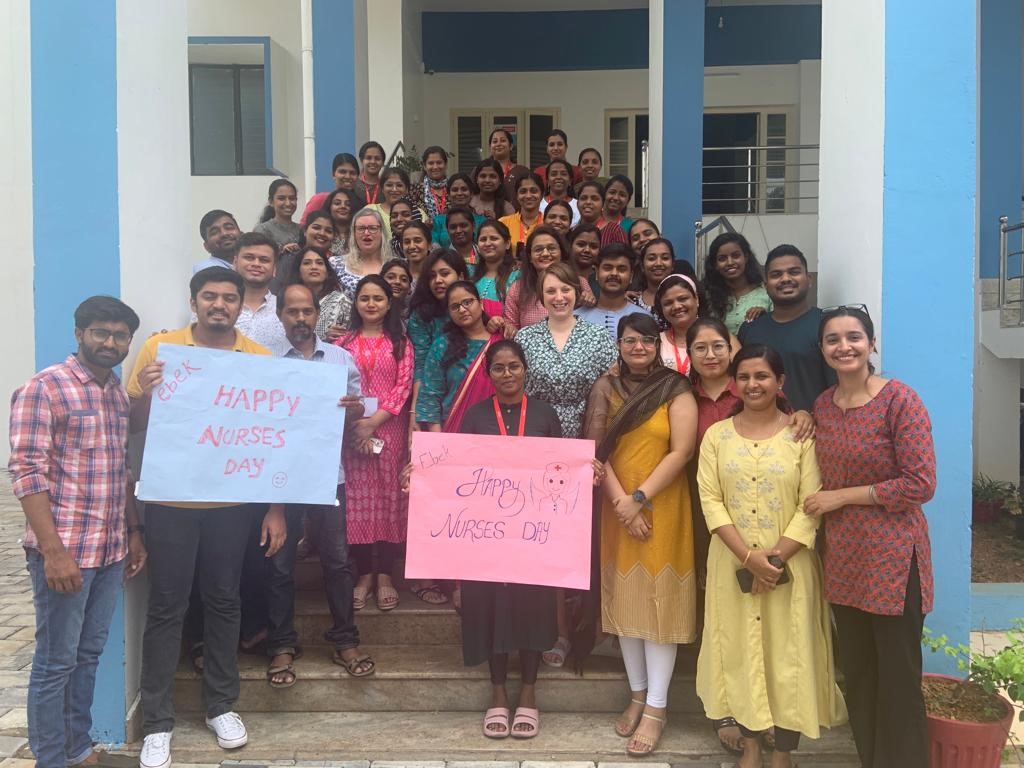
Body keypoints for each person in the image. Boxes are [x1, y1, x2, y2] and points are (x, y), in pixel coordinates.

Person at [129, 268, 286, 765]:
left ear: (242, 305)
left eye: (228, 298)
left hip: (231, 504)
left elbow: (278, 433)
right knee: (166, 606)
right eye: (210, 297)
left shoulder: (258, 358)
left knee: (224, 600)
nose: (219, 305)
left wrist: (276, 508)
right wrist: (147, 394)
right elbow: (133, 425)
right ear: (194, 301)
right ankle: (157, 721)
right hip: (169, 502)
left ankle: (221, 705)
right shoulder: (161, 350)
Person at [9, 296, 147, 768]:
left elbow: (120, 471)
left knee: (88, 654)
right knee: (55, 663)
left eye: (119, 335)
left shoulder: (113, 393)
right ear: (79, 334)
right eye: (100, 333)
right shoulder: (44, 388)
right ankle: (51, 758)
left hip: (108, 550)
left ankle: (78, 746)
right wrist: (53, 552)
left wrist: (133, 531)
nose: (110, 342)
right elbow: (28, 473)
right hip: (66, 550)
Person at [697, 344, 847, 768]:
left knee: (789, 659)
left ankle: (782, 752)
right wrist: (748, 559)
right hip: (731, 564)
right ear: (733, 384)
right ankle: (750, 745)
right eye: (744, 377)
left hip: (792, 568)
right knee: (740, 654)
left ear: (780, 382)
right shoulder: (716, 437)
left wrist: (775, 559)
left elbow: (811, 502)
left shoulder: (801, 435)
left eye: (762, 376)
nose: (752, 384)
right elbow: (710, 500)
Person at [807, 305, 936, 768]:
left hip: (894, 561)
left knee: (899, 679)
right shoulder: (822, 405)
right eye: (834, 339)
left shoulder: (900, 400)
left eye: (854, 337)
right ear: (822, 349)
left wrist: (842, 497)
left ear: (871, 344)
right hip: (844, 560)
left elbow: (921, 484)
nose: (844, 346)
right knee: (859, 675)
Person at [584, 313, 698, 756]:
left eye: (646, 341)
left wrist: (639, 499)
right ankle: (637, 694)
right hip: (616, 508)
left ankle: (657, 707)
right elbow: (598, 452)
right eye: (630, 340)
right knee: (628, 608)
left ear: (658, 344)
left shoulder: (675, 387)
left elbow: (682, 450)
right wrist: (621, 504)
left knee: (659, 613)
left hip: (663, 505)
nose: (638, 348)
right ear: (619, 343)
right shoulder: (605, 388)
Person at [457, 340, 565, 740]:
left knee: (532, 607)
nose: (507, 375)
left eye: (514, 367)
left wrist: (585, 472)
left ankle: (530, 694)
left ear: (525, 370)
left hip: (532, 535)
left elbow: (560, 469)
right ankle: (498, 693)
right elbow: (456, 471)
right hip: (486, 534)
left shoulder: (544, 414)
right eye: (499, 368)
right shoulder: (474, 416)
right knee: (491, 608)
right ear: (488, 374)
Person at [264, 284, 370, 686]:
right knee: (279, 564)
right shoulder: (267, 362)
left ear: (317, 314)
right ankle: (281, 646)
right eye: (292, 312)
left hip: (329, 476)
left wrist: (355, 409)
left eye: (307, 311)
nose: (301, 319)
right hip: (280, 478)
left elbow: (356, 412)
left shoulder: (341, 358)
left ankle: (345, 640)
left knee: (338, 561)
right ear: (280, 316)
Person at [337, 276, 414, 612]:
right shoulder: (342, 344)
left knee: (388, 499)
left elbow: (403, 386)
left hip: (389, 429)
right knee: (356, 501)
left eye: (378, 298)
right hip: (351, 432)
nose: (371, 304)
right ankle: (364, 574)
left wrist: (374, 423)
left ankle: (385, 574)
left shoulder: (400, 342)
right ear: (356, 303)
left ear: (388, 303)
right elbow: (337, 385)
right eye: (365, 298)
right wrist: (358, 425)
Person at [738, 244, 836, 412]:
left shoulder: (828, 326)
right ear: (766, 285)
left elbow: (840, 388)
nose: (785, 279)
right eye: (776, 275)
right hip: (760, 431)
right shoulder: (750, 330)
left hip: (814, 431)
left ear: (809, 279)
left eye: (794, 272)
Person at [416, 281, 504, 433]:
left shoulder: (501, 342)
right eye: (455, 306)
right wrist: (439, 442)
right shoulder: (442, 346)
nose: (462, 310)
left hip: (497, 432)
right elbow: (430, 396)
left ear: (481, 303)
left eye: (467, 302)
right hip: (454, 432)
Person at [503, 226, 595, 332]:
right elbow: (511, 325)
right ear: (530, 258)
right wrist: (510, 329)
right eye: (538, 250)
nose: (545, 254)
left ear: (561, 253)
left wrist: (589, 302)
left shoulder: (579, 283)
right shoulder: (518, 288)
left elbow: (590, 322)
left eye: (551, 248)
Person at [407, 250, 471, 387]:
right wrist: (417, 405)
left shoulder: (476, 307)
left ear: (461, 277)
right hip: (434, 386)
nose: (438, 281)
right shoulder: (421, 315)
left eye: (445, 274)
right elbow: (421, 361)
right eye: (432, 276)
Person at [704, 232, 772, 335]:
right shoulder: (708, 297)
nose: (730, 262)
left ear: (746, 257)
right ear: (715, 264)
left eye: (736, 256)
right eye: (722, 258)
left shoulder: (767, 294)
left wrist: (765, 316)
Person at [576, 243, 645, 342]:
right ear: (596, 273)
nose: (614, 273)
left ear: (631, 276)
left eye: (622, 269)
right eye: (607, 268)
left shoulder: (643, 318)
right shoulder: (576, 319)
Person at [282, 246, 349, 342]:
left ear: (327, 272)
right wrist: (322, 336)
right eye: (307, 263)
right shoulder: (286, 300)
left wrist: (335, 337)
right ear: (299, 272)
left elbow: (349, 338)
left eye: (319, 263)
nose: (314, 267)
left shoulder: (341, 302)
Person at [234, 232, 287, 349]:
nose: (256, 264)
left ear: (274, 269)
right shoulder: (217, 306)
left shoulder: (285, 309)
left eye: (264, 260)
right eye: (249, 258)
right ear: (235, 262)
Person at [273, 211, 335, 294]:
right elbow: (277, 291)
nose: (322, 233)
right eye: (316, 228)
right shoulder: (289, 258)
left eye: (328, 231)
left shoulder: (337, 262)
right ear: (305, 231)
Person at [653, 273, 703, 374]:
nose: (676, 306)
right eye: (668, 303)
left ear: (696, 299)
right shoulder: (655, 342)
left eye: (682, 299)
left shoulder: (719, 336)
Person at [339, 208, 391, 300]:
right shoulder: (336, 264)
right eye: (361, 228)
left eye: (372, 228)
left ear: (381, 232)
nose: (366, 233)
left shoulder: (395, 265)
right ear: (353, 233)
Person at [299, 152, 364, 225]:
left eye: (352, 173)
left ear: (358, 176)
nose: (348, 176)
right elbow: (303, 228)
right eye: (342, 172)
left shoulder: (361, 206)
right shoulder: (320, 200)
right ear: (333, 174)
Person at [473, 219, 518, 317]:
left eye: (494, 238)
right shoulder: (471, 274)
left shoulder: (518, 275)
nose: (488, 243)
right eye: (483, 239)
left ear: (507, 244)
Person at [365, 168, 425, 242]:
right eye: (389, 185)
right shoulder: (370, 211)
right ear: (382, 189)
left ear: (407, 189)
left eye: (399, 185)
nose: (394, 189)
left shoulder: (418, 213)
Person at [499, 172, 545, 255]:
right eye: (523, 191)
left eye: (533, 191)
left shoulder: (548, 223)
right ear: (517, 196)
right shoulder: (503, 223)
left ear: (542, 195)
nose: (528, 196)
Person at [432, 174, 483, 248]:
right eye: (455, 190)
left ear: (471, 193)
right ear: (448, 195)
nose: (459, 193)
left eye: (464, 189)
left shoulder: (482, 221)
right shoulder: (438, 221)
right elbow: (434, 245)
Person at [254, 179, 301, 254]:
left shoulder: (302, 230)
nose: (288, 203)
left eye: (292, 198)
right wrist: (282, 252)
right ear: (271, 202)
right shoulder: (263, 230)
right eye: (281, 198)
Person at [576, 181, 629, 246]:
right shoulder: (572, 231)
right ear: (577, 203)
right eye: (583, 198)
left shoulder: (615, 231)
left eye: (594, 199)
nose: (588, 202)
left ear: (603, 204)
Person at [632, 238, 675, 316]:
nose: (658, 263)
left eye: (665, 258)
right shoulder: (631, 302)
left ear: (673, 264)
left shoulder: (683, 299)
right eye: (651, 259)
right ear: (642, 266)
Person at [539, 159, 581, 226]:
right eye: (554, 174)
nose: (558, 177)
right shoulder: (539, 204)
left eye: (563, 174)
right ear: (547, 180)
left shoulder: (578, 205)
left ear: (570, 180)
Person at [323, 187, 358, 261]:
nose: (343, 206)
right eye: (337, 203)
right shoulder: (322, 233)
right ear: (329, 207)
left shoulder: (359, 234)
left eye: (348, 204)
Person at [568, 223, 602, 296]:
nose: (587, 250)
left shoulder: (602, 279)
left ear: (599, 250)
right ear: (570, 245)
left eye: (593, 246)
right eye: (581, 245)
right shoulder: (560, 274)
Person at [418, 146, 451, 222]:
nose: (435, 167)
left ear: (445, 165)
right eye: (431, 163)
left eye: (439, 163)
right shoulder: (415, 190)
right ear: (424, 166)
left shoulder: (453, 188)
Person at [401, 220, 434, 291]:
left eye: (417, 241)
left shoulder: (438, 271)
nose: (412, 246)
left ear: (429, 245)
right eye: (407, 242)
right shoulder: (397, 271)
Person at [355, 141, 386, 206]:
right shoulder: (353, 185)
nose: (373, 162)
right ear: (361, 160)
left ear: (383, 162)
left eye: (377, 159)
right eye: (368, 158)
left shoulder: (386, 187)